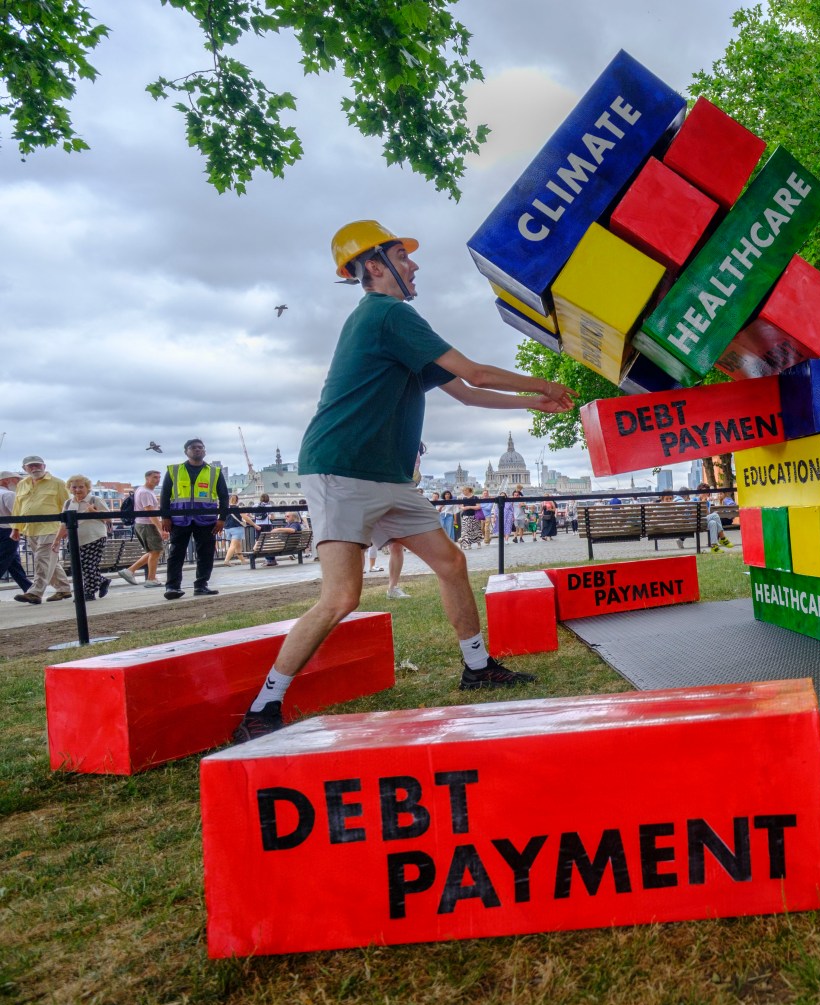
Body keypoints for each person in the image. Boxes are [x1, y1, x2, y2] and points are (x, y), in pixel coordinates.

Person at [232, 219, 574, 742]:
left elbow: (466, 394)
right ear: (374, 266)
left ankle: (477, 668)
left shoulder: (392, 323)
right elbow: (476, 374)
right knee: (341, 598)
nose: (414, 265)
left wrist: (532, 403)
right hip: (342, 468)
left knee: (451, 562)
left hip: (387, 475)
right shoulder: (387, 312)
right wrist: (544, 384)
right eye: (402, 256)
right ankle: (263, 707)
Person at [158, 438, 227, 599]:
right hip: (180, 519)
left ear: (204, 451)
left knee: (206, 553)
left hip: (206, 519)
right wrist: (165, 517)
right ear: (186, 451)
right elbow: (165, 495)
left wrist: (222, 519)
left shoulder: (214, 472)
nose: (197, 449)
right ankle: (172, 587)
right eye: (193, 447)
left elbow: (224, 496)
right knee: (176, 553)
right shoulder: (175, 471)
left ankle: (201, 585)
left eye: (200, 447)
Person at [12, 455, 71, 603]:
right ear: (24, 468)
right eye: (31, 466)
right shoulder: (22, 484)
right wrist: (16, 528)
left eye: (38, 465)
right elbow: (17, 507)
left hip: (51, 528)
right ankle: (63, 589)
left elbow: (67, 506)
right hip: (31, 529)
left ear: (44, 466)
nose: (35, 468)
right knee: (49, 561)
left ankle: (35, 592)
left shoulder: (58, 483)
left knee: (41, 560)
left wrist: (66, 528)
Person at [60, 475, 112, 600]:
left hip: (94, 537)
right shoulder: (68, 503)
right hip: (75, 540)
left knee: (88, 565)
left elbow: (109, 518)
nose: (77, 490)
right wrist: (57, 540)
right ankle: (102, 581)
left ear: (87, 487)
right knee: (82, 566)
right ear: (69, 488)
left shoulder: (95, 500)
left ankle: (88, 592)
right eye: (74, 487)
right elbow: (63, 524)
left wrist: (94, 512)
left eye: (81, 487)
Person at [124, 469, 164, 585]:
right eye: (155, 477)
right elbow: (150, 512)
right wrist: (160, 529)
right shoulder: (146, 492)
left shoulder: (142, 490)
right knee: (155, 551)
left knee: (153, 551)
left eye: (159, 477)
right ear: (147, 478)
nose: (157, 480)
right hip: (147, 525)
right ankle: (151, 579)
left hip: (143, 524)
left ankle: (130, 571)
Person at [0, 470, 32, 595]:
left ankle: (30, 589)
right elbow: (17, 514)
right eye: (16, 480)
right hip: (8, 531)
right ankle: (30, 589)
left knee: (13, 563)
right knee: (4, 560)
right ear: (6, 480)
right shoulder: (9, 494)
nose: (18, 482)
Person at [220, 494, 246, 567]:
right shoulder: (237, 508)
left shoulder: (225, 508)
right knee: (233, 545)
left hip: (227, 528)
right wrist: (254, 525)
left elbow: (222, 519)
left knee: (238, 546)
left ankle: (243, 561)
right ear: (237, 501)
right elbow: (245, 517)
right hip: (237, 528)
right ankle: (226, 560)